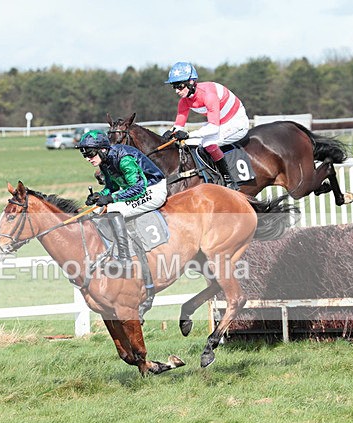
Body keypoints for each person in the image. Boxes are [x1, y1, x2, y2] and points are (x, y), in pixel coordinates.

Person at [78, 130, 167, 272]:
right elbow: (111, 187)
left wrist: (111, 198)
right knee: (96, 209)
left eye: (90, 153)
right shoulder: (104, 161)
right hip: (136, 189)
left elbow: (138, 188)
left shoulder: (124, 159)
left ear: (102, 149)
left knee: (114, 209)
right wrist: (98, 196)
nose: (88, 158)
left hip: (153, 189)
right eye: (85, 155)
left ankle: (125, 260)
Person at [162, 61, 254, 188]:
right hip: (220, 122)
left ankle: (228, 179)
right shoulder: (184, 101)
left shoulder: (208, 95)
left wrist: (188, 135)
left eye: (180, 86)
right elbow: (179, 125)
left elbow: (213, 128)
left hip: (236, 122)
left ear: (191, 82)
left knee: (208, 144)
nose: (177, 91)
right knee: (190, 144)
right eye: (174, 87)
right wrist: (171, 133)